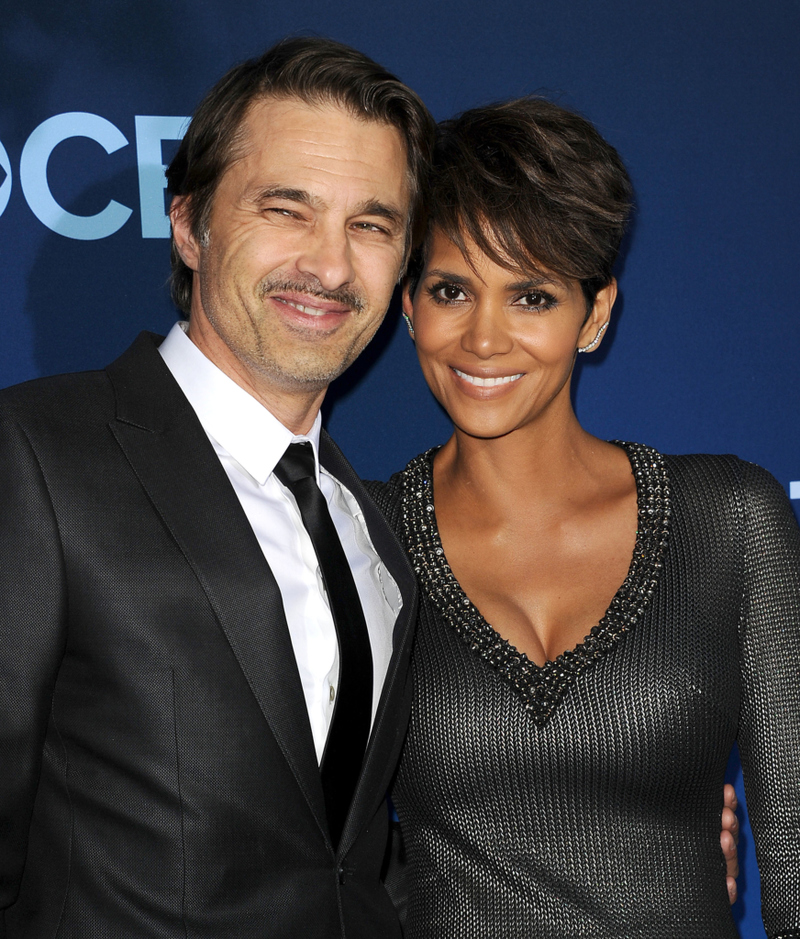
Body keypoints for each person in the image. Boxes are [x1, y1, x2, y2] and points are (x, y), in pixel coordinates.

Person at [0, 37, 434, 938]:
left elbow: (351, 853)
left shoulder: (375, 527)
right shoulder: (34, 454)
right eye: (288, 209)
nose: (328, 264)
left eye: (372, 225)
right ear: (190, 224)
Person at [367, 97, 798, 937]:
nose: (484, 339)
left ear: (594, 314)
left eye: (531, 297)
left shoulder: (730, 523)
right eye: (452, 289)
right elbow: (305, 844)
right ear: (409, 305)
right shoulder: (359, 537)